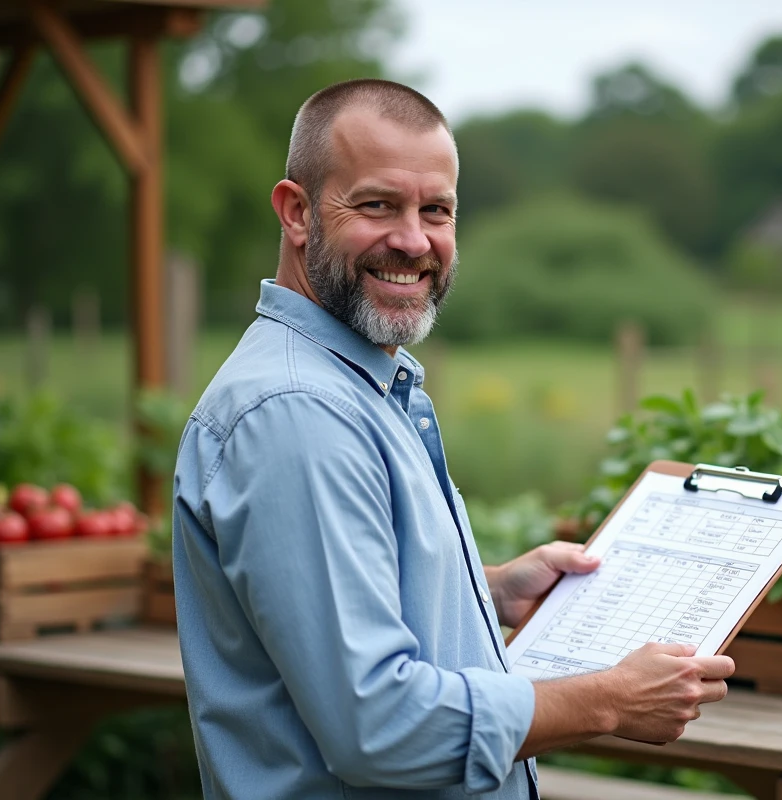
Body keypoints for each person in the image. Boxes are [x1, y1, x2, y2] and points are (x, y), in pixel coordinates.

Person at [172, 78, 735, 800]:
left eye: (435, 210)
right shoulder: (297, 415)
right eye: (377, 204)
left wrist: (489, 591)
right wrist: (610, 700)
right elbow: (379, 725)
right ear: (297, 213)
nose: (413, 240)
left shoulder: (354, 385)